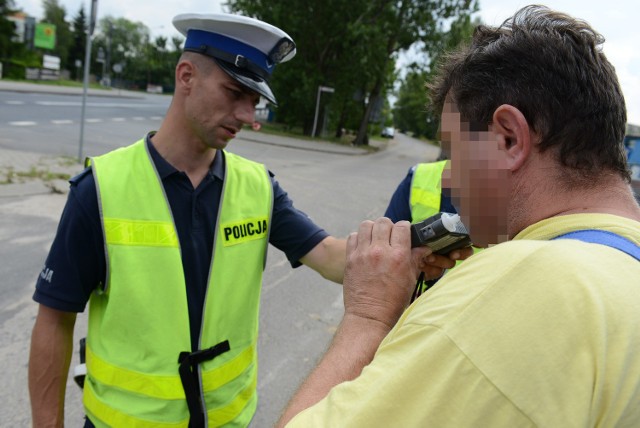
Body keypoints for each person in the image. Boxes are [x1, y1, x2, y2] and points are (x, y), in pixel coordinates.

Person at [277, 5, 640, 427]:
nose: (448, 177)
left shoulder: (518, 287)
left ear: (508, 138)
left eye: (454, 150)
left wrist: (368, 317)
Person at [27, 13, 349, 428]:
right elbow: (54, 320)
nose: (248, 116)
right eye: (235, 92)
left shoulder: (257, 187)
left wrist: (413, 247)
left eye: (255, 101)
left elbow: (328, 255)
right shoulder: (101, 189)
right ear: (186, 76)